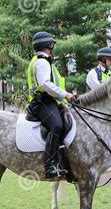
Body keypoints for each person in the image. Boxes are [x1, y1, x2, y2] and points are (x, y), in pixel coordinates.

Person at [27, 31, 75, 178]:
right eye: (51, 43)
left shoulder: (45, 60)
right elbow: (45, 84)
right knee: (57, 126)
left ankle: (64, 161)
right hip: (42, 102)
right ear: (48, 44)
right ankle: (49, 165)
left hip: (50, 101)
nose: (52, 45)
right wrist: (65, 94)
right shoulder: (42, 62)